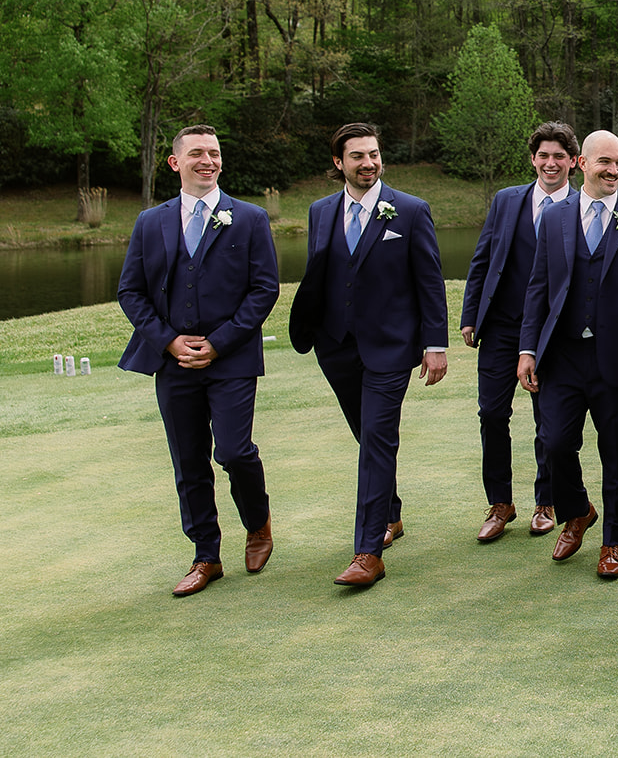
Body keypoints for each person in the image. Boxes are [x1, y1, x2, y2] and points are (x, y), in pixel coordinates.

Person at [117, 124, 279, 597]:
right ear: (175, 163)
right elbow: (130, 291)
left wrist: (220, 342)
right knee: (188, 460)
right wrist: (168, 341)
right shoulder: (150, 222)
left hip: (230, 360)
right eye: (196, 154)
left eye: (214, 153)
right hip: (173, 364)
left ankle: (258, 523)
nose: (206, 161)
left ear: (221, 162)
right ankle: (206, 555)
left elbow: (264, 288)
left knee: (232, 451)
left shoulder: (248, 218)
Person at [288, 123, 448, 587]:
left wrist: (434, 344)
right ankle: (391, 513)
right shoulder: (320, 211)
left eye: (374, 154)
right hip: (335, 347)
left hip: (392, 348)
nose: (368, 163)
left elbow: (430, 281)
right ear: (338, 163)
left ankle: (367, 552)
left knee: (378, 438)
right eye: (357, 156)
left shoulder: (411, 211)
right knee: (366, 435)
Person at [517, 131, 618, 579]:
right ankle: (577, 511)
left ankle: (613, 541)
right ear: (581, 163)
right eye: (604, 162)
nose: (613, 170)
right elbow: (539, 287)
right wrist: (528, 347)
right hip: (563, 357)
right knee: (555, 442)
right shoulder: (554, 218)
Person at [459, 121, 579, 542]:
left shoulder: (583, 207)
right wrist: (470, 315)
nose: (550, 163)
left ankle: (547, 500)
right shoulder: (507, 201)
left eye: (559, 156)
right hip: (503, 327)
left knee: (549, 422)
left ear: (573, 162)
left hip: (554, 333)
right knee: (492, 414)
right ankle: (501, 503)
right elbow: (483, 259)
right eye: (543, 156)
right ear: (533, 159)